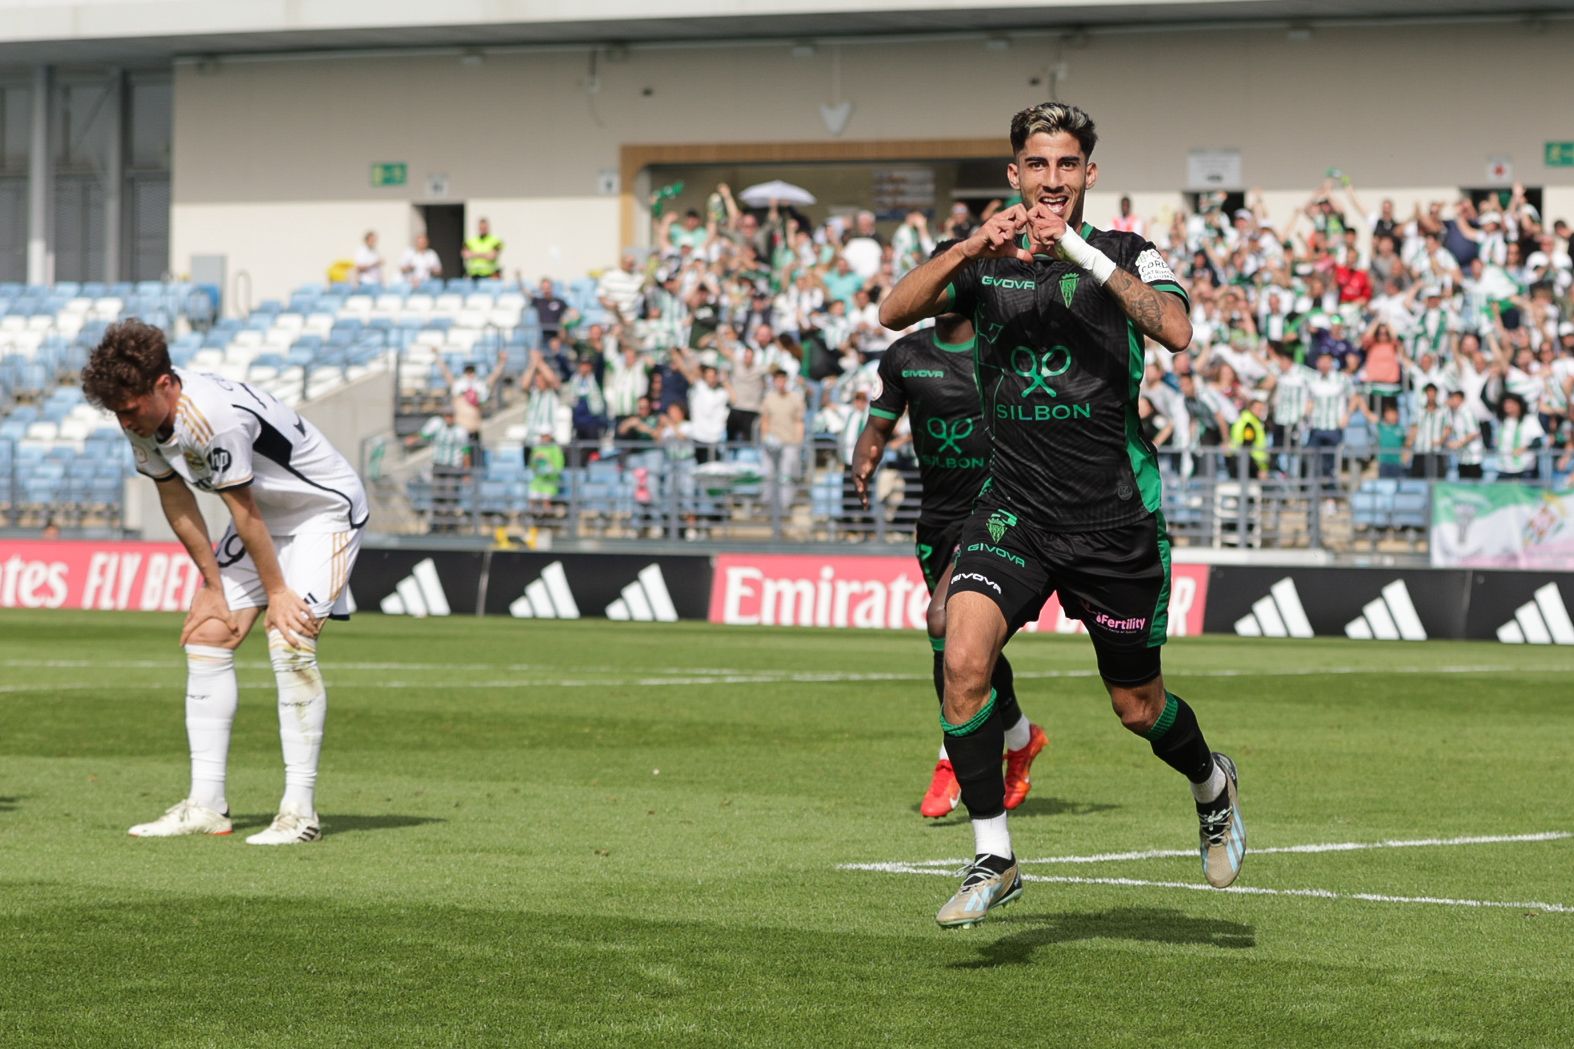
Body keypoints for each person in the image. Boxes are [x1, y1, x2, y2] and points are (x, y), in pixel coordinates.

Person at [879, 102, 1243, 928]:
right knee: (961, 653)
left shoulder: (1123, 252)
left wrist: (1076, 251)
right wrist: (970, 247)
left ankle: (1211, 782)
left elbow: (1177, 329)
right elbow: (892, 313)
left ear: (1089, 176)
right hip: (1013, 511)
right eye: (1037, 165)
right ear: (1014, 174)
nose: (1051, 181)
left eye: (1067, 166)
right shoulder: (987, 259)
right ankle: (995, 854)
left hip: (1113, 520)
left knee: (1137, 706)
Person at [81, 319, 368, 845]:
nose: (126, 420)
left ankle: (299, 813)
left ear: (164, 384)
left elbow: (245, 510)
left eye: (130, 407)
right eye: (117, 411)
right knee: (208, 632)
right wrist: (211, 585)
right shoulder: (138, 414)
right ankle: (207, 804)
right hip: (265, 520)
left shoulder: (213, 418)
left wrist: (278, 592)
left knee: (291, 638)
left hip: (321, 511)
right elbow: (174, 496)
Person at [850, 255, 1049, 821]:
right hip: (936, 520)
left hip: (997, 511)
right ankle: (1019, 736)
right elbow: (880, 424)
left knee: (942, 620)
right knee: (968, 648)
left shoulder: (1003, 348)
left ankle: (952, 759)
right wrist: (864, 457)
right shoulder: (906, 356)